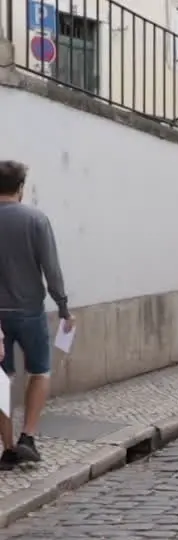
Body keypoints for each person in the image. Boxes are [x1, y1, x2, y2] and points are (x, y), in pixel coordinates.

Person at [0, 160, 73, 470]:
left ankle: (8, 447)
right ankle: (28, 436)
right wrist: (64, 306)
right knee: (40, 371)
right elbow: (51, 269)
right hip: (30, 312)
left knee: (1, 379)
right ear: (21, 188)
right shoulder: (36, 219)